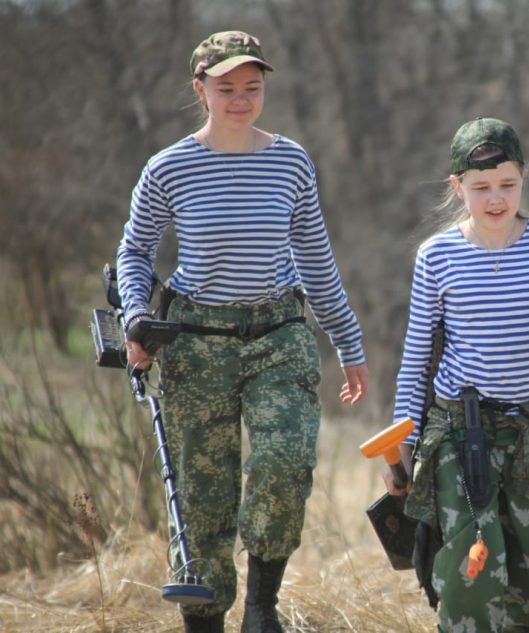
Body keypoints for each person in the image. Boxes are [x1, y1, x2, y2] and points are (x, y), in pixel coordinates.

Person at [116, 31, 369, 633]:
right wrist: (134, 318)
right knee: (203, 499)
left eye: (251, 88)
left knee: (284, 460)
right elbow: (135, 253)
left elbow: (316, 256)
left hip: (277, 333)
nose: (240, 99)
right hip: (193, 339)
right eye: (226, 88)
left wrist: (348, 341)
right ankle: (205, 619)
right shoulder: (169, 167)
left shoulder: (291, 161)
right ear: (200, 89)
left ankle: (262, 608)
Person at [385, 117, 529, 632]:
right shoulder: (436, 256)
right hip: (463, 439)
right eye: (481, 187)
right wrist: (401, 442)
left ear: (524, 178)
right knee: (471, 583)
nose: (495, 199)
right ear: (457, 186)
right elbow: (417, 356)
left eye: (507, 185)